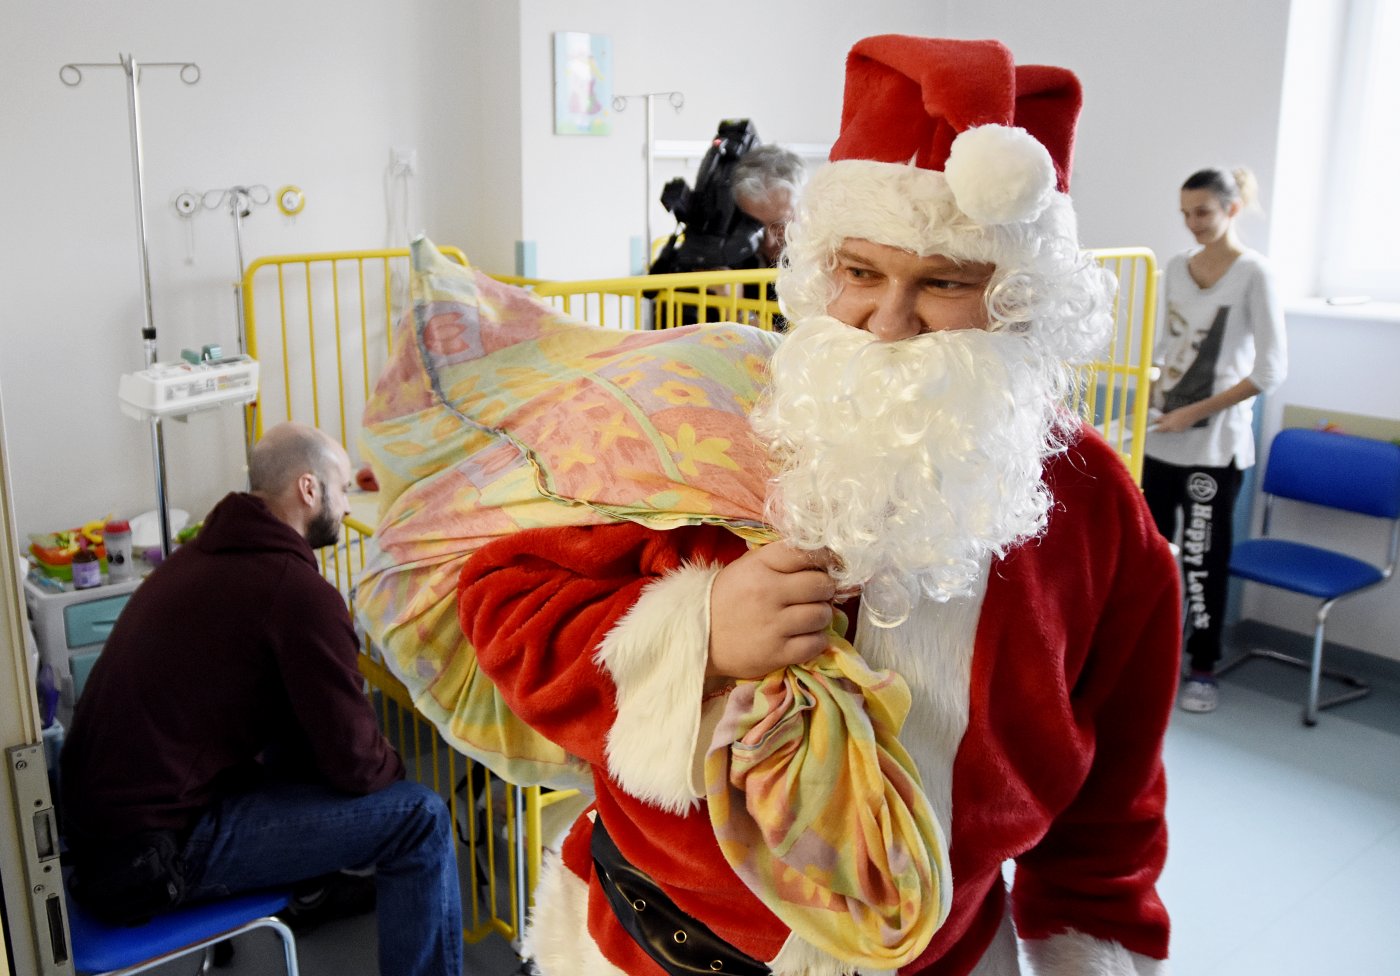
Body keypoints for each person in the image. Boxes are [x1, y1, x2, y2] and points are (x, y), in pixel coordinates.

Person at [460, 36, 1179, 976]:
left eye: (945, 283)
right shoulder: (696, 415)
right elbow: (501, 603)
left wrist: (1091, 950)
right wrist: (697, 634)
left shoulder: (1093, 510)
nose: (888, 322)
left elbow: (1112, 808)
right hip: (645, 949)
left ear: (1022, 299)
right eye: (861, 272)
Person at [61, 422, 462, 976]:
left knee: (293, 741)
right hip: (150, 858)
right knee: (419, 817)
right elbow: (359, 766)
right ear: (308, 489)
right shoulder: (294, 593)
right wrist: (389, 770)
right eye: (342, 489)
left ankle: (313, 895)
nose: (346, 507)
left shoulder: (205, 554)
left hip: (97, 833)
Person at [1142, 166, 1288, 715]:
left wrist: (1195, 414)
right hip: (1161, 439)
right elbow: (1163, 347)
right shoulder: (1176, 268)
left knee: (1203, 560)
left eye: (1202, 212)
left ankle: (1202, 669)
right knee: (1152, 554)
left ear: (1231, 210)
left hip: (1213, 448)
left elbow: (1270, 370)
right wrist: (1152, 393)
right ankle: (1152, 659)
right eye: (1185, 213)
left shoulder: (1254, 274)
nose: (1192, 223)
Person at [731, 144, 806, 269]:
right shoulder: (731, 251)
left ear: (805, 212)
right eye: (755, 227)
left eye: (779, 227)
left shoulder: (827, 258)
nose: (768, 242)